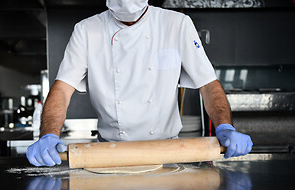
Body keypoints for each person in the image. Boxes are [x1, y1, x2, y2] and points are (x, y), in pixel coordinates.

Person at [27, 0, 253, 167]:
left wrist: (225, 126)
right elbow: (62, 89)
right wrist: (49, 134)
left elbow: (208, 84)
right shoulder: (86, 30)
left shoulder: (177, 24)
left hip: (167, 154)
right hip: (109, 155)